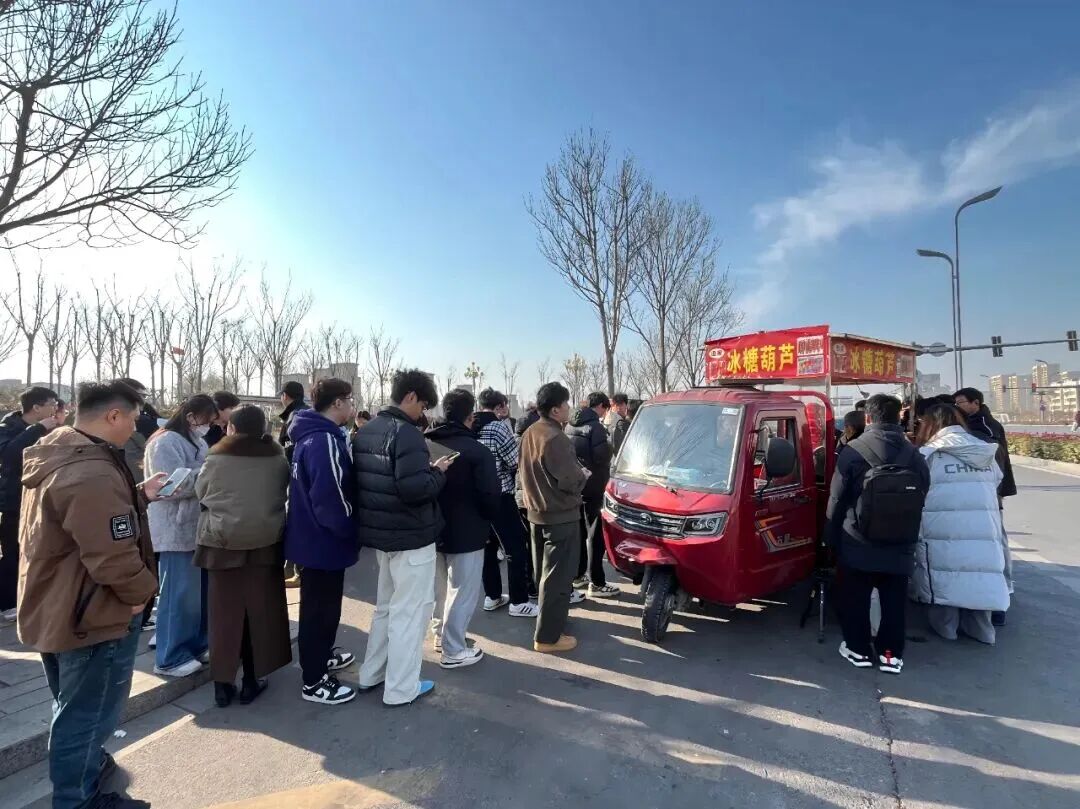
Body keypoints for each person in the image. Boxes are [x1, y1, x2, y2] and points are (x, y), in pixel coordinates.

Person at [19, 380, 167, 809]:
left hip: (58, 603)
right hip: (93, 613)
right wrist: (141, 594)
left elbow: (86, 523)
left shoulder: (60, 450)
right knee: (87, 714)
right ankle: (78, 800)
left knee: (71, 706)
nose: (135, 428)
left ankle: (85, 769)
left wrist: (138, 496)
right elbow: (112, 556)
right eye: (133, 418)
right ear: (113, 415)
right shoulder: (92, 472)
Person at [354, 369, 451, 705]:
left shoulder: (367, 430)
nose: (422, 412)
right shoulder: (407, 434)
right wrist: (438, 473)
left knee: (386, 608)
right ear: (411, 396)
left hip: (382, 536)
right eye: (422, 405)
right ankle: (401, 688)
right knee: (411, 612)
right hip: (412, 536)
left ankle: (372, 673)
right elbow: (415, 490)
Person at [195, 405, 293, 707]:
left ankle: (222, 686)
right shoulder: (278, 459)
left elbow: (202, 492)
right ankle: (252, 679)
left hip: (221, 545)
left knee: (223, 616)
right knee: (260, 615)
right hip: (265, 544)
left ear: (232, 428)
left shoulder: (216, 458)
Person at [826, 394, 930, 675]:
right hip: (901, 540)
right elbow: (923, 491)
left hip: (858, 540)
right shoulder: (914, 454)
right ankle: (890, 654)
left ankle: (858, 649)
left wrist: (830, 539)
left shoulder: (852, 451)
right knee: (894, 601)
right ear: (899, 418)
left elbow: (837, 499)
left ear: (869, 418)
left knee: (855, 598)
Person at [285, 378, 359, 705]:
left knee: (322, 608)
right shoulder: (323, 440)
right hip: (323, 541)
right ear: (337, 402)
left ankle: (322, 656)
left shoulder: (313, 435)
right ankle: (314, 680)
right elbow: (330, 499)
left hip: (313, 539)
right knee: (319, 611)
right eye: (350, 400)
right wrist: (349, 527)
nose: (353, 406)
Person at [912, 404, 1010, 645]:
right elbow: (997, 481)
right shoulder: (984, 451)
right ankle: (981, 630)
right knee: (981, 573)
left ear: (930, 425)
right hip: (984, 527)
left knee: (944, 574)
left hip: (942, 527)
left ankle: (947, 629)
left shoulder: (928, 454)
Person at [426, 388, 500, 668]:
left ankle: (440, 636)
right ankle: (454, 649)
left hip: (432, 528)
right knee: (462, 591)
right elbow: (490, 495)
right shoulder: (478, 452)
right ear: (470, 417)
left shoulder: (425, 444)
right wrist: (488, 520)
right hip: (468, 530)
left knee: (439, 590)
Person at [145, 394, 217, 677]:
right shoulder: (165, 442)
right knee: (178, 595)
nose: (208, 426)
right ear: (191, 417)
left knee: (197, 596)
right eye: (206, 420)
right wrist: (209, 473)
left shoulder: (197, 441)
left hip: (196, 527)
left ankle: (197, 645)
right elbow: (167, 485)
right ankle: (169, 656)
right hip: (175, 528)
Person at [520, 382, 590, 653]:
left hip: (536, 513)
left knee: (544, 576)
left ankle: (551, 623)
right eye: (566, 404)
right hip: (559, 516)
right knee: (558, 579)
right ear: (555, 410)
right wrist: (582, 476)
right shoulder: (555, 438)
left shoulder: (530, 432)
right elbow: (570, 480)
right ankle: (548, 638)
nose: (569, 408)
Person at [954, 386, 1016, 627]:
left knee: (996, 545)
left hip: (990, 494)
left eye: (961, 402)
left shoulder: (985, 427)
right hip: (985, 494)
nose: (958, 407)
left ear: (975, 403)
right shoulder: (973, 424)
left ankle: (1002, 595)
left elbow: (994, 464)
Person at [474, 388, 539, 618]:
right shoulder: (498, 427)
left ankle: (492, 596)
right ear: (500, 406)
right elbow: (514, 461)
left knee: (488, 548)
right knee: (515, 548)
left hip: (478, 499)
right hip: (501, 496)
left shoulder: (470, 426)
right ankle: (519, 601)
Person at [0, 386, 59, 622]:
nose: (55, 409)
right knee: (13, 551)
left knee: (35, 551)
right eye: (51, 404)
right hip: (14, 501)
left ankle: (30, 598)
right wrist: (38, 428)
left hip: (41, 498)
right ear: (36, 407)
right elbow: (8, 455)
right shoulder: (8, 427)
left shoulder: (49, 429)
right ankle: (7, 603)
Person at [117, 379, 162, 636]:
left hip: (137, 497)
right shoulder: (93, 460)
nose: (135, 426)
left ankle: (141, 614)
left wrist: (142, 494)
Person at [566, 392, 618, 598]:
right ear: (601, 407)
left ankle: (578, 575)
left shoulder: (570, 424)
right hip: (595, 486)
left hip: (577, 485)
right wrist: (610, 445)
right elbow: (602, 456)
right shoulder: (596, 427)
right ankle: (597, 582)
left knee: (579, 533)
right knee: (597, 536)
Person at [277, 381, 309, 458]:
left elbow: (289, 444)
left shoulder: (293, 416)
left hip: (297, 462)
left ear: (285, 396)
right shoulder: (311, 412)